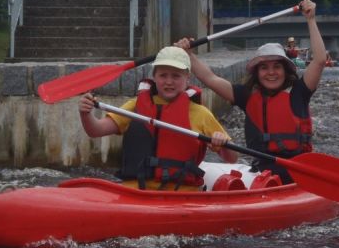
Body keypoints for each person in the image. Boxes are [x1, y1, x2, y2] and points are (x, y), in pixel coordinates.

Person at [175, 0, 326, 184]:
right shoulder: (247, 96)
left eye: (276, 67)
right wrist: (188, 54)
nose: (271, 73)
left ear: (285, 71)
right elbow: (210, 78)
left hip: (298, 173)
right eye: (264, 68)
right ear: (257, 72)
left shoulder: (299, 92)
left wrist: (311, 20)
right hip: (262, 174)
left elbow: (319, 60)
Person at [78, 46, 237, 191]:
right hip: (136, 191)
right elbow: (96, 130)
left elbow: (232, 158)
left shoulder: (200, 113)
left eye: (176, 76)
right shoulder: (135, 107)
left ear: (187, 78)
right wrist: (86, 114)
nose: (169, 82)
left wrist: (223, 143)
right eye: (163, 75)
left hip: (180, 192)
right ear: (154, 77)